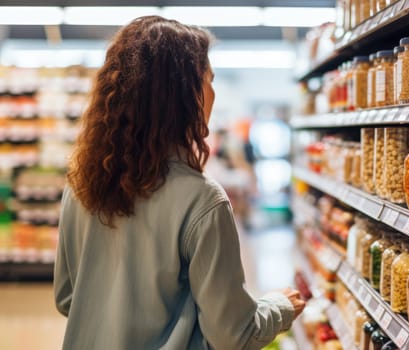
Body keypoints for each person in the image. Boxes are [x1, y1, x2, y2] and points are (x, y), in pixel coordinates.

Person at [54, 16, 305, 350]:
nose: (213, 94)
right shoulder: (203, 200)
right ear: (183, 94)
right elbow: (230, 335)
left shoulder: (81, 185)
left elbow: (68, 297)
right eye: (208, 80)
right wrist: (279, 307)